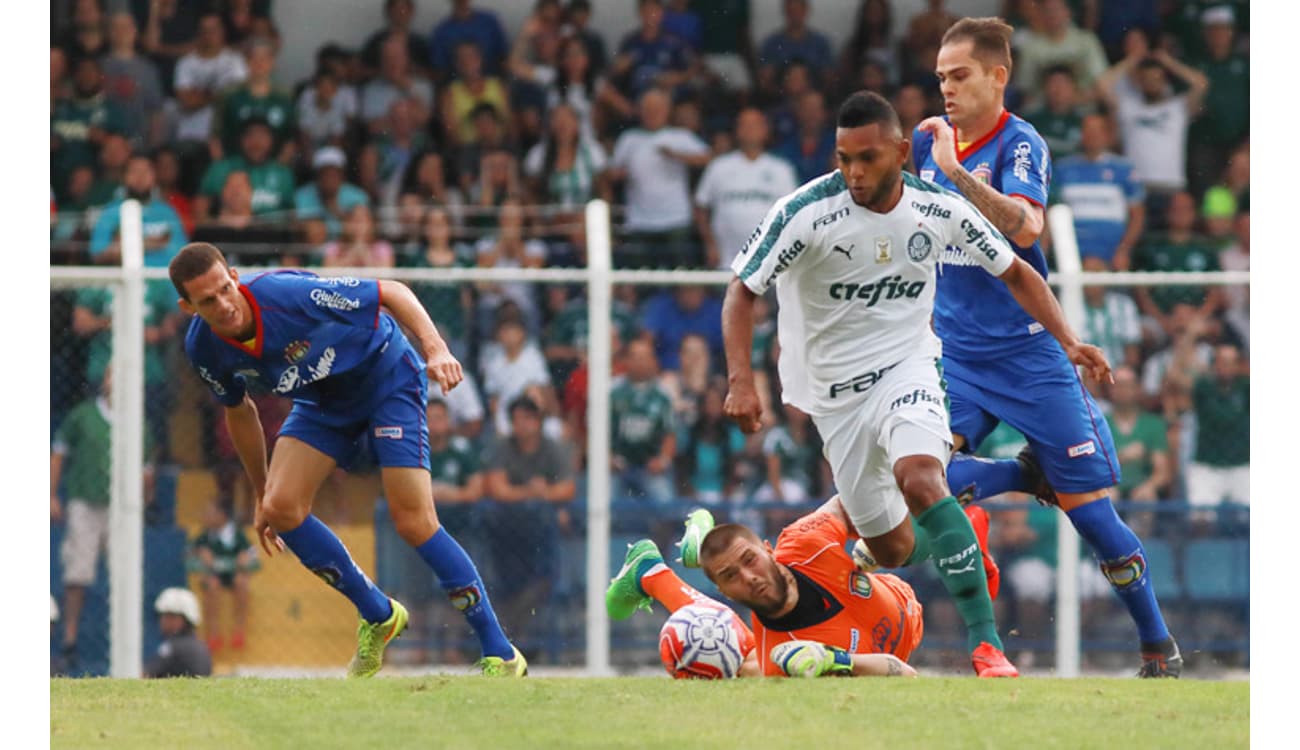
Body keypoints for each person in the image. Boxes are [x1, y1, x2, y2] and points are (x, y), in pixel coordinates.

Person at [723, 89, 1121, 677]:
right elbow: (742, 290)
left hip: (910, 367)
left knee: (920, 478)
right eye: (843, 158)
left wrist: (1068, 339)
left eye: (868, 158)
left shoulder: (940, 207)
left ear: (902, 152)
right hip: (834, 395)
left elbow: (1016, 271)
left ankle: (987, 648)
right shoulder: (805, 212)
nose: (854, 172)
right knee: (895, 551)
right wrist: (741, 381)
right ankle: (1006, 483)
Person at [911, 17, 1181, 677]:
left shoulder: (1018, 142)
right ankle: (1025, 475)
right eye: (941, 76)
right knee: (921, 481)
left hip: (1031, 358)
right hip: (960, 361)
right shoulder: (928, 148)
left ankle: (1159, 648)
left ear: (998, 75)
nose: (946, 88)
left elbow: (1026, 224)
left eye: (960, 74)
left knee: (1092, 519)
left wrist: (955, 172)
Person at [168, 241, 526, 677]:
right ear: (189, 307)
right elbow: (239, 411)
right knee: (281, 509)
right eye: (208, 300)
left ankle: (501, 653)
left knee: (413, 520)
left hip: (386, 375)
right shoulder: (204, 348)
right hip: (323, 401)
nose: (224, 304)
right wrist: (261, 491)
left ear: (235, 276)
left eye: (226, 288)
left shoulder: (286, 295)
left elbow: (392, 291)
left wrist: (435, 349)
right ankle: (379, 615)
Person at [609, 498, 966, 678]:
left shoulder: (805, 541)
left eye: (750, 560)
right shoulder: (784, 658)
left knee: (890, 536)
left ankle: (658, 572)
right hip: (891, 646)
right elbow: (904, 675)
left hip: (897, 590)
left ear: (768, 549)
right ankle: (652, 572)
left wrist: (874, 534)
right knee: (741, 662)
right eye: (730, 577)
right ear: (725, 593)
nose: (748, 577)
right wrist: (834, 660)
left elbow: (856, 494)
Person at [52, 365, 155, 673]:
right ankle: (69, 640)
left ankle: (125, 642)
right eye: (112, 374)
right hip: (84, 502)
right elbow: (58, 453)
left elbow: (147, 470)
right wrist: (50, 494)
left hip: (122, 509)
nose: (117, 381)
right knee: (77, 574)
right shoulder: (82, 416)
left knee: (125, 575)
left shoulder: (138, 423)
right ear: (104, 380)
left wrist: (143, 502)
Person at [694, 108, 800, 270]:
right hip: (725, 261)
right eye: (744, 125)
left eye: (755, 125)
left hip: (768, 264)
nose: (750, 130)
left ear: (765, 130)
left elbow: (793, 214)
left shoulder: (781, 170)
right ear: (737, 131)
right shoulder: (719, 167)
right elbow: (701, 207)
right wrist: (710, 244)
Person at [1051, 113, 1145, 270]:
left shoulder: (1123, 169)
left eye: (1097, 131)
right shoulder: (1062, 169)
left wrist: (1124, 251)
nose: (1092, 136)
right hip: (1069, 251)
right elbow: (1051, 212)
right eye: (1087, 131)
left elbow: (1137, 215)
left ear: (1107, 135)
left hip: (1111, 251)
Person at [610, 340, 677, 505]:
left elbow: (670, 433)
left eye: (645, 357)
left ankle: (665, 531)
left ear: (654, 361)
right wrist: (608, 458)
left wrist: (662, 461)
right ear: (625, 360)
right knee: (602, 501)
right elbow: (595, 432)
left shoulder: (663, 394)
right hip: (616, 466)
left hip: (650, 467)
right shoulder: (611, 391)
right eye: (636, 357)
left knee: (666, 504)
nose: (640, 362)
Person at [190, 499, 259, 652]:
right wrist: (200, 554)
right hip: (214, 576)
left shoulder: (237, 535)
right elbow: (191, 552)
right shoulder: (205, 536)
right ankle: (213, 634)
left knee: (241, 583)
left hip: (234, 575)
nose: (205, 516)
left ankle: (239, 631)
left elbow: (252, 554)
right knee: (212, 585)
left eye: (210, 513)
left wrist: (244, 559)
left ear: (222, 515)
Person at [145, 588, 213, 678]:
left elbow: (145, 675)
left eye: (170, 616)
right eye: (163, 616)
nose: (163, 621)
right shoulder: (201, 646)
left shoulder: (173, 648)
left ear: (187, 620)